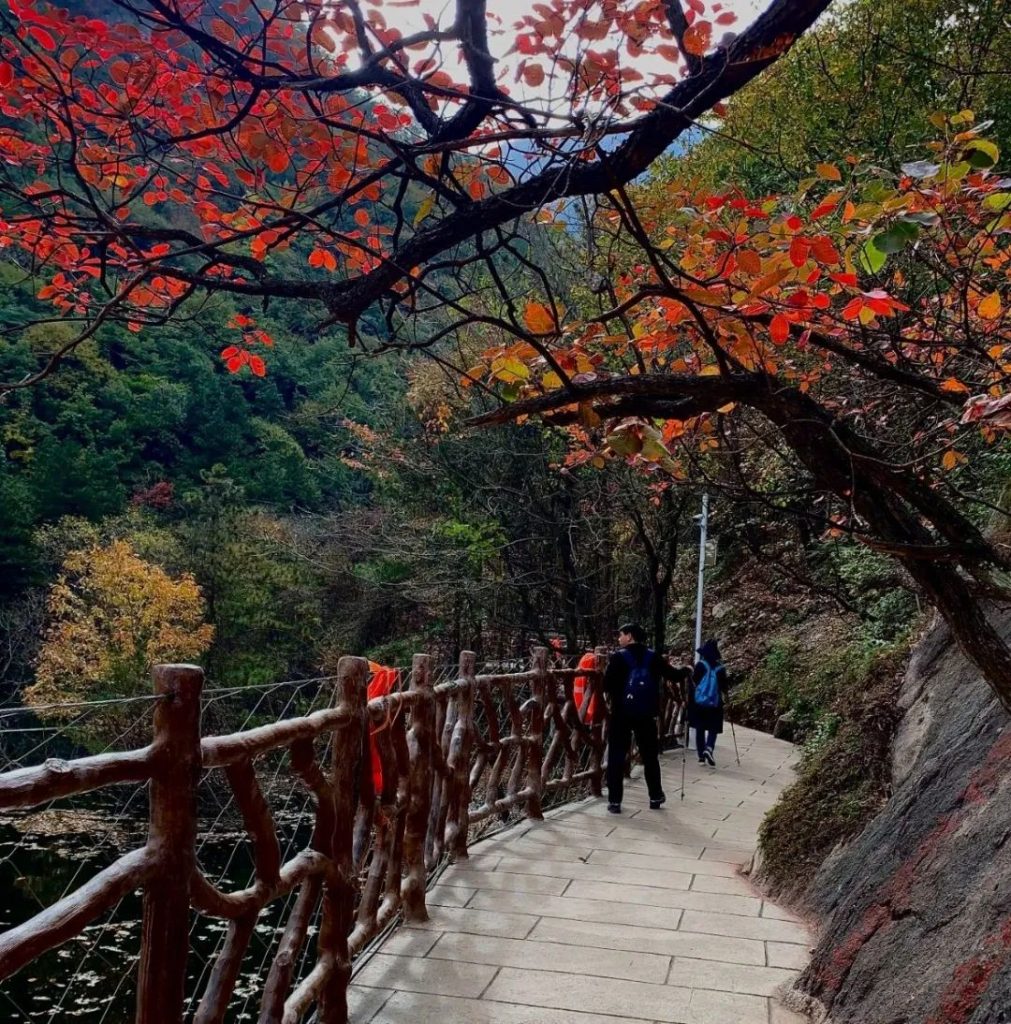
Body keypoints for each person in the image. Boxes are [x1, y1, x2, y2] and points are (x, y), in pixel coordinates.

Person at [603, 623, 686, 813]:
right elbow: (673, 676)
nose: (619, 639)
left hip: (621, 714)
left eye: (621, 635)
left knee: (616, 756)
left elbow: (606, 684)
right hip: (646, 714)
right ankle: (655, 796)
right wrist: (687, 670)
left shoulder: (618, 658)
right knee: (650, 756)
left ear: (630, 636)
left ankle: (615, 801)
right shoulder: (653, 657)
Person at [690, 638, 730, 767]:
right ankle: (709, 748)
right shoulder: (721, 669)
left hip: (699, 702)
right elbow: (724, 686)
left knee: (700, 728)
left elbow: (694, 681)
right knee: (713, 728)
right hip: (715, 702)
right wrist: (727, 699)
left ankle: (701, 756)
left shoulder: (700, 665)